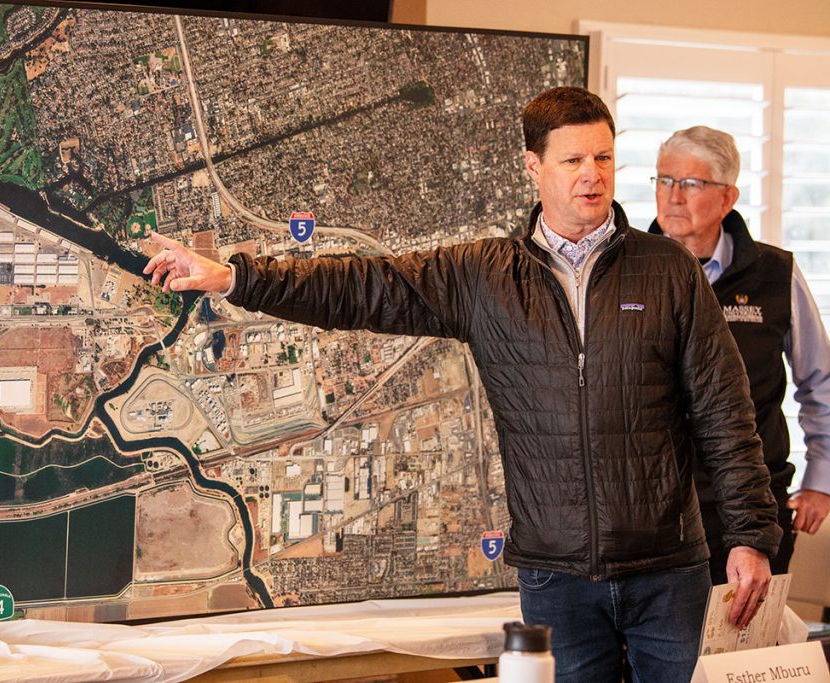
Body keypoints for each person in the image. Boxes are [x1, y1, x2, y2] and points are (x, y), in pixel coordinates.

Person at [143, 87, 781, 682]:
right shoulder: (483, 275)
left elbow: (726, 413)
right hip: (555, 581)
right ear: (533, 168)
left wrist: (752, 537)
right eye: (573, 159)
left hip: (669, 572)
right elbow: (360, 288)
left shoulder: (667, 269)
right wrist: (233, 278)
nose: (592, 173)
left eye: (604, 156)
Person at [650, 125, 830, 585]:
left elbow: (820, 383)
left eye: (690, 184)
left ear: (727, 197)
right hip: (651, 509)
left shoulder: (775, 274)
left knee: (741, 652)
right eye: (664, 179)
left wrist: (820, 482)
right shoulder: (630, 272)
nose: (672, 196)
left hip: (750, 507)